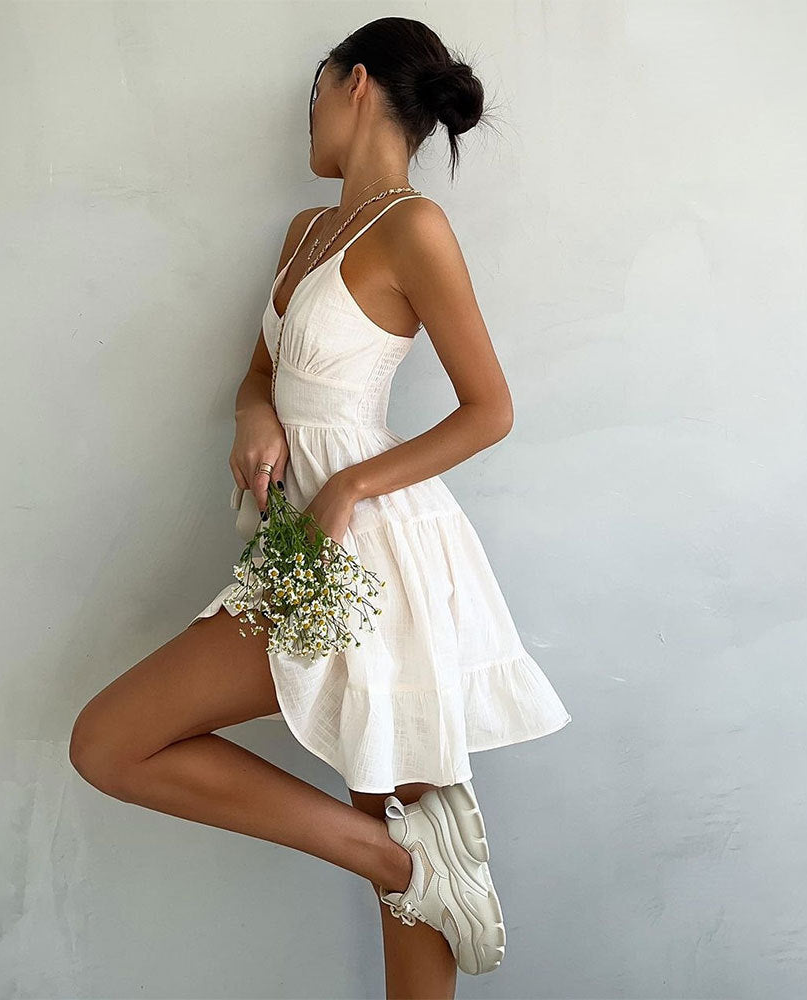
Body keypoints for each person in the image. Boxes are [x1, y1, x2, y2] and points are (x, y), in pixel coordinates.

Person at [70, 16, 572, 997]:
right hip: (299, 547)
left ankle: (403, 862)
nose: (306, 119)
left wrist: (346, 483)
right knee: (114, 742)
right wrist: (252, 414)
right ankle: (400, 862)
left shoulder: (415, 228)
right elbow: (261, 373)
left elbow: (491, 410)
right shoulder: (307, 232)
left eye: (315, 93)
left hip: (375, 549)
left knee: (394, 811)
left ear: (356, 84)